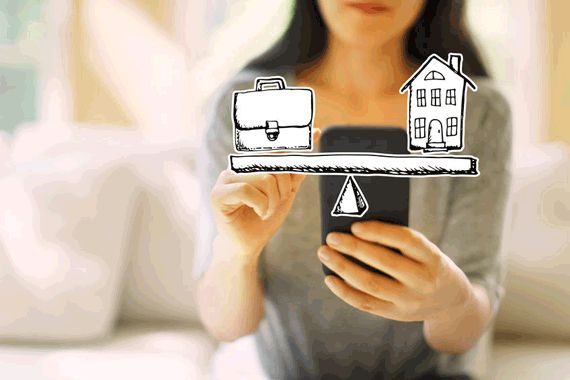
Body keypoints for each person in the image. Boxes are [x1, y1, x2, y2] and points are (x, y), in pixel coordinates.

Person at [196, 1, 512, 379]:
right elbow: (226, 326)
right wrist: (238, 252)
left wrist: (450, 302)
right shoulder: (242, 107)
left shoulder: (480, 112)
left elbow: (467, 320)